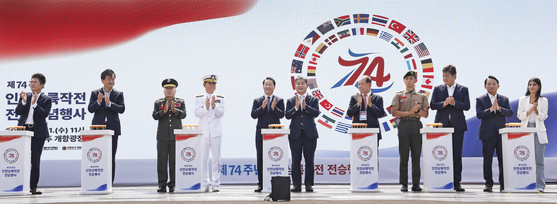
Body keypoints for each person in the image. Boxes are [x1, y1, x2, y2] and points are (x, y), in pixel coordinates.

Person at [429, 65, 470, 192]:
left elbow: (467, 106)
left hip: (458, 126)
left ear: (454, 76)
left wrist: (455, 103)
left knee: (457, 154)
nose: (444, 78)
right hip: (442, 126)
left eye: (447, 76)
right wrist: (444, 104)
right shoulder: (438, 89)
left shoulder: (463, 89)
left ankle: (457, 182)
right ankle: (441, 180)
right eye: (443, 76)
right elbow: (432, 105)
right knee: (441, 154)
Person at [391, 71, 429, 192]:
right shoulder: (398, 94)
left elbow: (426, 114)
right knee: (404, 155)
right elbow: (394, 112)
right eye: (406, 78)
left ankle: (416, 184)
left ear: (415, 80)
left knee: (416, 156)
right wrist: (409, 112)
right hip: (404, 124)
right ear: (404, 81)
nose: (408, 80)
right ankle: (404, 184)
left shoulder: (422, 96)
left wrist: (416, 112)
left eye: (411, 78)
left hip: (417, 124)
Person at [15, 73, 52, 195]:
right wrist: (24, 102)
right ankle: (19, 185)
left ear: (42, 85)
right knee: (20, 159)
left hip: (38, 132)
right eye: (31, 81)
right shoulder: (26, 96)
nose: (32, 83)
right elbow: (17, 111)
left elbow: (44, 114)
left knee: (35, 161)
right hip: (24, 130)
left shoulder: (46, 99)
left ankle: (33, 187)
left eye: (35, 82)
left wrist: (35, 104)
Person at [475, 75, 513, 192]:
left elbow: (510, 113)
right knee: (487, 160)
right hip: (487, 134)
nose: (491, 86)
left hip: (502, 133)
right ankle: (488, 184)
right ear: (485, 86)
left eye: (493, 84)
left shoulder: (504, 99)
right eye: (489, 84)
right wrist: (490, 109)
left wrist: (499, 109)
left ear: (498, 86)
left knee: (503, 160)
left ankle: (503, 184)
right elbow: (479, 114)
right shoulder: (480, 99)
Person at [87, 69, 125, 184]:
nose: (111, 81)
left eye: (113, 79)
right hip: (98, 128)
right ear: (102, 80)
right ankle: (96, 182)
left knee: (111, 157)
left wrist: (109, 104)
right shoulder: (95, 93)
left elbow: (122, 109)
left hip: (113, 128)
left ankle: (109, 183)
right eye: (108, 79)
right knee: (97, 155)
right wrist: (98, 102)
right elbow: (90, 109)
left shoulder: (118, 94)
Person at [285, 76, 319, 193]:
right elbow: (288, 115)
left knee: (309, 160)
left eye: (302, 83)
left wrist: (306, 107)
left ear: (307, 86)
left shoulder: (313, 99)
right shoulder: (290, 100)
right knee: (296, 160)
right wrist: (296, 107)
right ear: (295, 86)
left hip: (310, 134)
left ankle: (309, 184)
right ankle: (297, 185)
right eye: (298, 83)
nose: (300, 85)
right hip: (295, 135)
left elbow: (316, 113)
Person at [250, 77, 285, 192]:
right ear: (263, 86)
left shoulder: (279, 100)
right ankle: (261, 184)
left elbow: (281, 115)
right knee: (261, 159)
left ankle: (276, 184)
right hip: (261, 134)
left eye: (270, 85)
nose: (268, 87)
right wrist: (263, 107)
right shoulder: (257, 100)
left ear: (274, 87)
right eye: (266, 84)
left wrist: (274, 108)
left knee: (275, 159)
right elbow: (253, 115)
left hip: (275, 135)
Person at [152, 78, 187, 193]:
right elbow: (155, 116)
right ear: (164, 90)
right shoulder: (158, 102)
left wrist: (174, 110)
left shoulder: (180, 102)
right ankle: (162, 184)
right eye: (167, 88)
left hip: (176, 137)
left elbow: (183, 115)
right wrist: (163, 111)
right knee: (162, 162)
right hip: (162, 137)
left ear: (175, 90)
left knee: (174, 162)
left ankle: (172, 184)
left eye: (171, 88)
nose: (169, 90)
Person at [195, 74, 225, 192]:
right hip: (203, 132)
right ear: (204, 85)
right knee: (204, 159)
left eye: (214, 84)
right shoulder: (199, 98)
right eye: (210, 83)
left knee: (217, 159)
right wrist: (206, 107)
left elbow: (221, 114)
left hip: (216, 132)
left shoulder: (220, 98)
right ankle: (205, 182)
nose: (212, 86)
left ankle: (216, 182)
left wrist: (213, 106)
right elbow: (197, 113)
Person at [517, 78, 548, 193]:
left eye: (534, 85)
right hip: (526, 129)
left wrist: (536, 111)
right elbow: (520, 115)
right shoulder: (523, 99)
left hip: (538, 130)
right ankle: (526, 184)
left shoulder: (543, 100)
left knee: (539, 161)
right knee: (525, 159)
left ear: (539, 86)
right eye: (530, 84)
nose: (531, 87)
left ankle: (540, 185)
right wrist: (529, 111)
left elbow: (543, 116)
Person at [346, 75, 386, 143]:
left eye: (362, 84)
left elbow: (381, 114)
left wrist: (371, 106)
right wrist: (357, 104)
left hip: (373, 131)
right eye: (358, 84)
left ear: (369, 84)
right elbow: (349, 113)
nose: (360, 86)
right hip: (357, 131)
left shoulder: (378, 98)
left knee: (372, 152)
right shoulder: (354, 98)